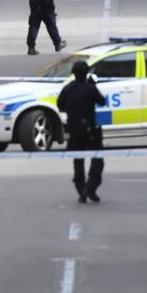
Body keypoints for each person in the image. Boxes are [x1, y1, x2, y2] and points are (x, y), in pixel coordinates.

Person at [57, 60, 106, 203]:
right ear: (86, 73)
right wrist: (93, 86)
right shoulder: (90, 88)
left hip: (74, 129)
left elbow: (60, 105)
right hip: (91, 130)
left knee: (78, 160)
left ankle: (81, 189)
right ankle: (90, 188)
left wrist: (73, 111)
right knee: (97, 160)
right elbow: (102, 101)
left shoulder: (68, 88)